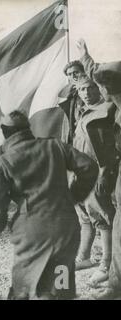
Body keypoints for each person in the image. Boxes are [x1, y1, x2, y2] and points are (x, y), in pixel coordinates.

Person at [0, 110, 98, 300]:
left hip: (32, 233)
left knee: (24, 287)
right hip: (65, 228)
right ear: (27, 129)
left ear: (5, 133)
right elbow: (88, 166)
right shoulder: (55, 146)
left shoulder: (4, 161)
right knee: (60, 287)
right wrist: (73, 196)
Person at [77, 39, 121, 299]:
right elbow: (99, 72)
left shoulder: (115, 102)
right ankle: (115, 285)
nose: (100, 90)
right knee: (118, 229)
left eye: (103, 87)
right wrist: (86, 57)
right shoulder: (115, 101)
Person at [69, 77, 117, 286]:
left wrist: (105, 172)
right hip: (81, 172)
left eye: (90, 88)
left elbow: (111, 146)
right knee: (85, 216)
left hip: (98, 172)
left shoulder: (107, 109)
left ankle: (107, 264)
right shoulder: (82, 111)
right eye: (82, 89)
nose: (86, 92)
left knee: (103, 218)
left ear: (98, 88)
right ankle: (84, 257)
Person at [59, 61, 87, 145]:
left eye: (76, 72)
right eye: (70, 74)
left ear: (84, 72)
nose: (73, 76)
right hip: (73, 143)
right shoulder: (70, 97)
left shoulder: (92, 92)